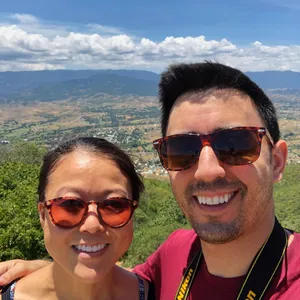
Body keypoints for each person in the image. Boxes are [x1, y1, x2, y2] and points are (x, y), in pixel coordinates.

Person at [1, 62, 299, 299]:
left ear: (276, 161)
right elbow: (111, 279)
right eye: (182, 150)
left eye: (235, 145)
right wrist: (56, 272)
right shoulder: (175, 254)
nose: (208, 170)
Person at [0, 137, 151, 300]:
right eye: (69, 205)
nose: (92, 225)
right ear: (43, 215)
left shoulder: (164, 291)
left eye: (114, 205)